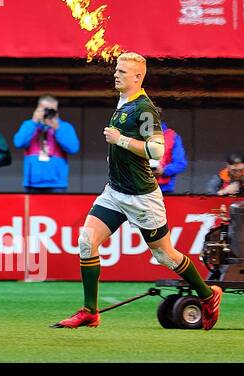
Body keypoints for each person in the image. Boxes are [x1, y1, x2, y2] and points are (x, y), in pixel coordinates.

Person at [53, 52, 222, 329]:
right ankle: (90, 311)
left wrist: (120, 140)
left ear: (137, 77)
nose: (116, 75)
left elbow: (157, 150)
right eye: (117, 70)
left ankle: (208, 294)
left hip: (141, 196)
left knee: (165, 255)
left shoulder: (143, 108)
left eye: (122, 72)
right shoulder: (123, 102)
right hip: (115, 192)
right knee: (86, 241)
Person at [13, 95, 79, 193]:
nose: (48, 112)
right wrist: (34, 122)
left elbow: (73, 148)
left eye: (52, 110)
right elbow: (18, 143)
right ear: (37, 109)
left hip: (57, 184)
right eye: (45, 109)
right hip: (32, 183)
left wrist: (57, 129)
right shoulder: (29, 125)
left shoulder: (64, 126)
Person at [154, 121, 188, 193]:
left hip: (163, 189)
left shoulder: (172, 136)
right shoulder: (134, 134)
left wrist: (164, 170)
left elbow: (180, 163)